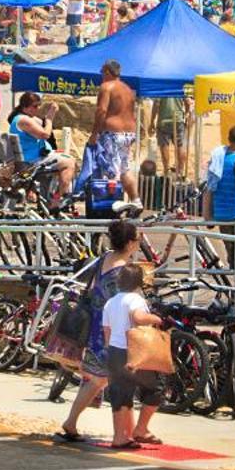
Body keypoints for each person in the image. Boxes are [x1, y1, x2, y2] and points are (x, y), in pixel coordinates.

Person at [59, 218, 140, 443]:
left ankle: (74, 422)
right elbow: (125, 303)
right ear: (131, 243)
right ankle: (121, 435)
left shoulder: (104, 259)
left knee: (97, 379)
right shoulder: (125, 271)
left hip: (96, 323)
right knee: (112, 381)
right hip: (113, 330)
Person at [101, 260, 166, 449]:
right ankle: (141, 428)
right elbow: (138, 318)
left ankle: (119, 436)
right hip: (133, 353)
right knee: (155, 388)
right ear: (139, 283)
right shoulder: (135, 299)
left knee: (120, 395)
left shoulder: (110, 303)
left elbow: (107, 332)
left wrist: (110, 350)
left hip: (114, 351)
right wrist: (156, 319)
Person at [90, 59, 139, 204]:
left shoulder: (107, 87)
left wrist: (95, 133)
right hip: (129, 133)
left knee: (111, 169)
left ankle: (111, 204)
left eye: (101, 72)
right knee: (124, 169)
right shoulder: (128, 89)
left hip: (112, 133)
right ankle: (136, 200)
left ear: (107, 71)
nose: (101, 75)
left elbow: (101, 111)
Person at [203, 124, 235, 261]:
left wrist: (207, 215)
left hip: (223, 217)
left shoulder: (218, 160)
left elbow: (210, 187)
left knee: (234, 260)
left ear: (229, 139)